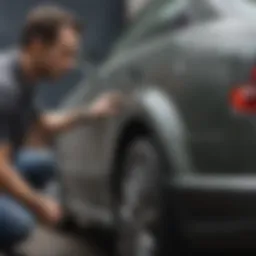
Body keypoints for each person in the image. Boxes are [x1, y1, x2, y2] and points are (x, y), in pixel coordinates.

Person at [0, 5, 122, 256]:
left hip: (7, 161)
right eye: (65, 53)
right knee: (22, 225)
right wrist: (38, 202)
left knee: (45, 163)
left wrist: (90, 113)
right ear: (36, 45)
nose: (70, 64)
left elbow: (43, 123)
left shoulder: (21, 73)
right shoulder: (5, 88)